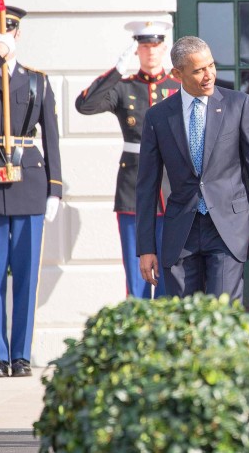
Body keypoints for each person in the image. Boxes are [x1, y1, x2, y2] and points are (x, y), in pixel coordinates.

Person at [135, 36, 249, 302]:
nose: (208, 75)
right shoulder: (158, 116)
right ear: (177, 74)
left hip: (227, 229)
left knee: (221, 316)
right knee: (181, 321)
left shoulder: (239, 105)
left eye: (211, 66)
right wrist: (145, 248)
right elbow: (146, 186)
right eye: (198, 70)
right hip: (181, 232)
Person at [0, 7, 62, 377]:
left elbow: (52, 138)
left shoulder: (38, 83)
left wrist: (55, 191)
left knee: (27, 276)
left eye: (9, 33)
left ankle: (21, 355)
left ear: (17, 36)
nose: (4, 41)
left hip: (29, 180)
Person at [76, 20, 180, 299]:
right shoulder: (124, 88)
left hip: (172, 188)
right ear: (137, 51)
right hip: (134, 188)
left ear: (164, 48)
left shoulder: (177, 86)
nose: (150, 52)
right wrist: (116, 71)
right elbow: (85, 105)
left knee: (171, 272)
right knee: (138, 278)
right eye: (144, 46)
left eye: (155, 46)